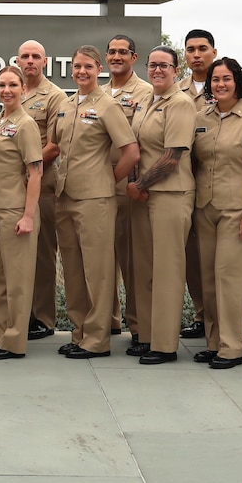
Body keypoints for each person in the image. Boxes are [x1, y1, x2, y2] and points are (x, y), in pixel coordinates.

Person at [53, 46, 139, 359]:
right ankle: (79, 333)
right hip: (65, 197)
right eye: (77, 66)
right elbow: (56, 146)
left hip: (95, 200)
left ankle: (97, 339)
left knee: (98, 271)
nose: (81, 72)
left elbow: (131, 151)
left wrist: (107, 179)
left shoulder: (108, 105)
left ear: (98, 68)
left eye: (88, 66)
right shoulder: (66, 104)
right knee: (74, 269)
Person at [192, 57, 242, 369]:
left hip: (236, 210)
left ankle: (231, 347)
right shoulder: (202, 117)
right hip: (205, 208)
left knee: (229, 278)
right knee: (209, 279)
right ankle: (214, 343)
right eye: (215, 80)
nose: (220, 84)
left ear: (237, 82)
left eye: (226, 79)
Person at [126, 46, 195, 365]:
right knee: (146, 269)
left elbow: (172, 157)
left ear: (175, 70)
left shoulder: (180, 103)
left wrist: (139, 184)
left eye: (164, 66)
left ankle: (165, 344)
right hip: (146, 197)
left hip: (169, 194)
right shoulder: (146, 100)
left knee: (167, 270)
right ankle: (148, 335)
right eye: (152, 65)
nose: (157, 70)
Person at [0, 66, 42, 360]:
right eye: (2, 85)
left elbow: (35, 172)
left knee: (17, 280)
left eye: (13, 85)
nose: (6, 90)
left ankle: (14, 341)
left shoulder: (26, 124)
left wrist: (28, 216)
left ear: (23, 89)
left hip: (16, 210)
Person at [105, 35, 154, 339]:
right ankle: (109, 321)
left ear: (134, 58)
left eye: (123, 52)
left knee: (134, 262)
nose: (117, 56)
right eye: (112, 52)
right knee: (103, 258)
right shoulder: (96, 94)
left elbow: (144, 143)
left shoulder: (146, 93)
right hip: (99, 191)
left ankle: (139, 327)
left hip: (131, 188)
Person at [17, 40, 66, 340]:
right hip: (13, 188)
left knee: (43, 253)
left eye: (36, 56)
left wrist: (26, 168)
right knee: (19, 253)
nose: (30, 61)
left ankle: (44, 319)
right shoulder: (13, 90)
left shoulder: (55, 97)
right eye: (25, 56)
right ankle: (21, 315)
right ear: (18, 60)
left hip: (44, 185)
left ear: (45, 62)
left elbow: (55, 145)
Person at [176, 29, 218, 340]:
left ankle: (231, 322)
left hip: (217, 183)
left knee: (221, 261)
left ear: (213, 52)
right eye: (190, 49)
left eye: (202, 48)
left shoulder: (226, 85)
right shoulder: (178, 90)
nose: (196, 54)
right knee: (193, 257)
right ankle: (203, 316)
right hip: (182, 182)